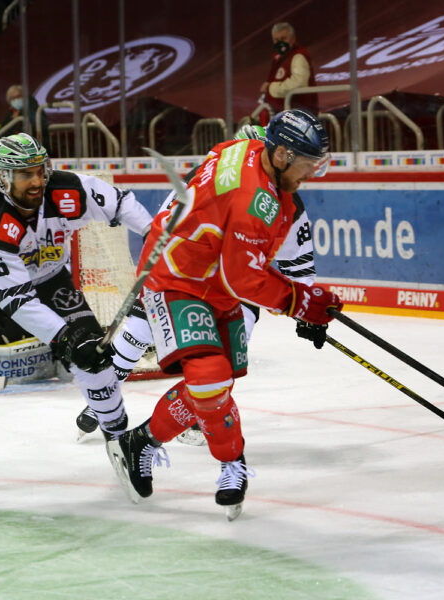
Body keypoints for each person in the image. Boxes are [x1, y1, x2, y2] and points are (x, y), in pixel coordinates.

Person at [107, 109, 342, 519]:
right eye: (307, 165)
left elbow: (243, 260)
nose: (311, 175)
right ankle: (233, 463)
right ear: (283, 154)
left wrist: (303, 298)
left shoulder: (250, 153)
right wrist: (302, 303)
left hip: (210, 277)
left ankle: (141, 441)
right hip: (175, 277)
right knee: (210, 378)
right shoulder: (257, 199)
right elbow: (244, 278)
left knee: (216, 385)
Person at [0, 133, 152, 500]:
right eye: (24, 175)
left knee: (94, 361)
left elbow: (120, 203)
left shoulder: (67, 189)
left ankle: (121, 439)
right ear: (3, 178)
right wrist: (65, 340)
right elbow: (16, 300)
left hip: (50, 280)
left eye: (39, 171)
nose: (36, 181)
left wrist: (156, 232)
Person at [75, 124, 327, 443]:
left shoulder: (285, 204)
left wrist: (305, 311)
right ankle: (105, 401)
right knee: (139, 329)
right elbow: (166, 224)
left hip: (236, 287)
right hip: (184, 272)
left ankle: (192, 414)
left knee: (223, 356)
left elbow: (298, 266)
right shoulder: (207, 174)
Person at [258, 23, 316, 125]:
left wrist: (271, 88)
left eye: (283, 38)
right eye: (276, 40)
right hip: (283, 117)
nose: (280, 43)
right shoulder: (279, 59)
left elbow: (299, 83)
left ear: (293, 39)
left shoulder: (298, 56)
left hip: (297, 118)